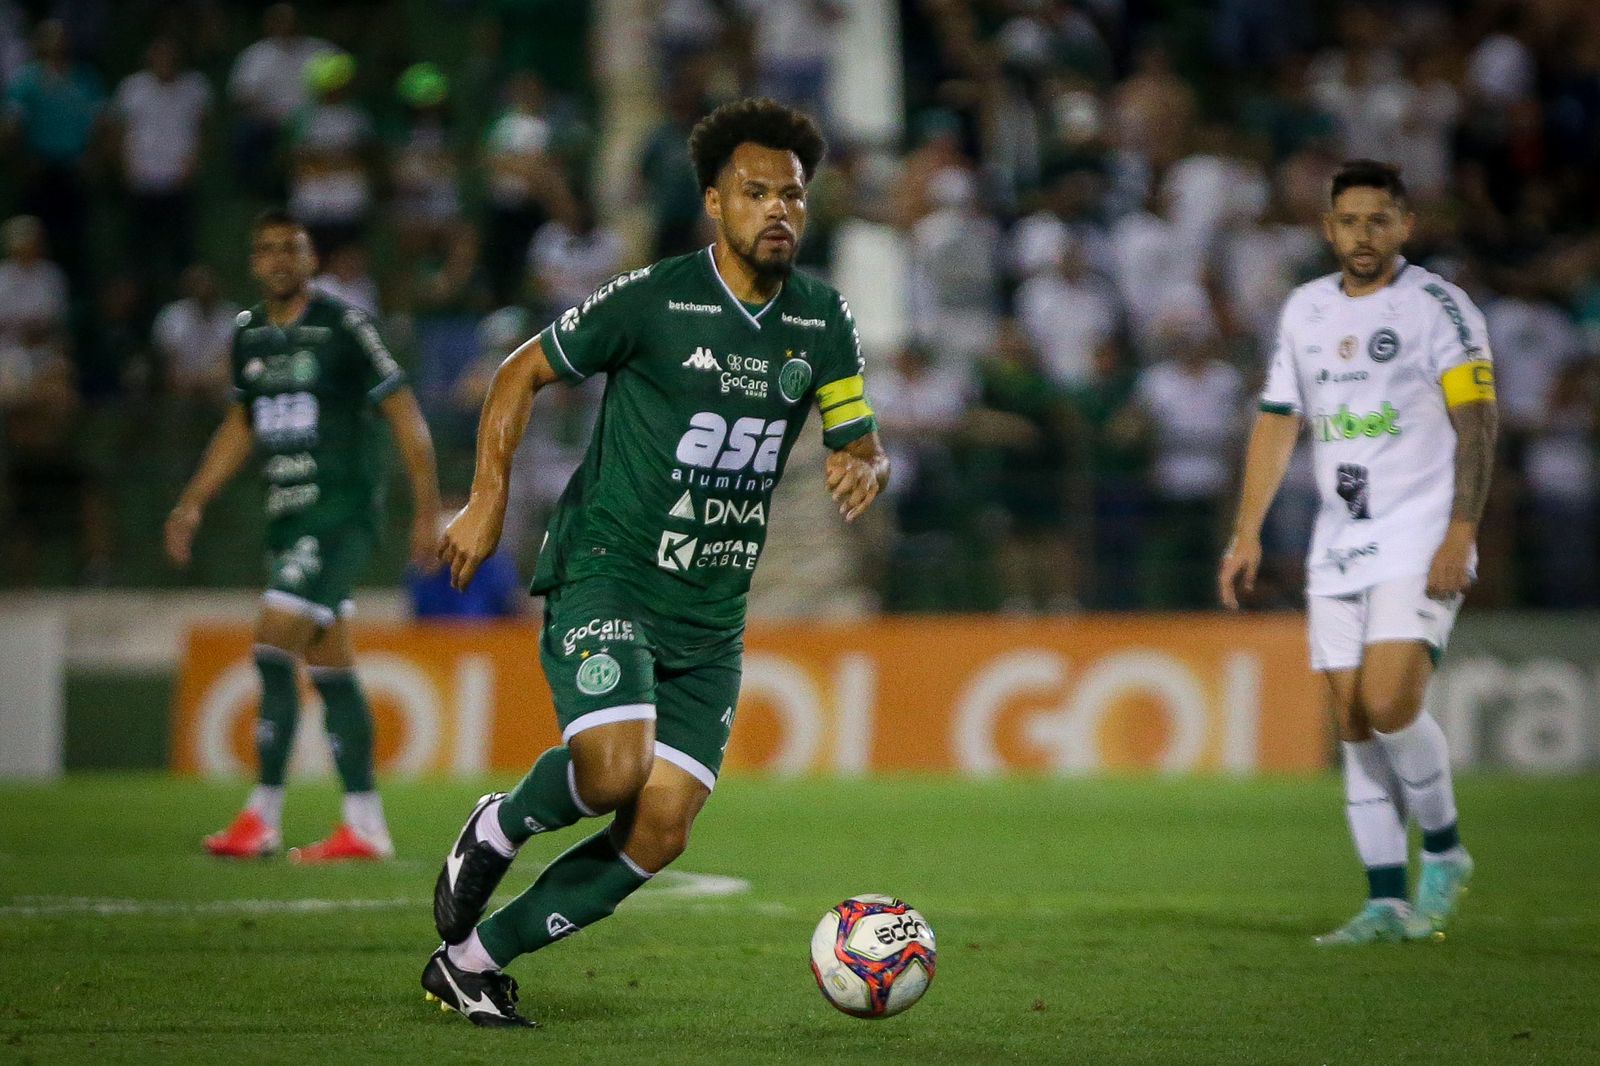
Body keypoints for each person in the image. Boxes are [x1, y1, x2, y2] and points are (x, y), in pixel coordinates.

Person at [423, 98, 889, 1027]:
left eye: (793, 195)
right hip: (611, 569)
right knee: (609, 772)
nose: (779, 212)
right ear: (716, 203)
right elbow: (519, 371)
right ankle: (501, 823)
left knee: (662, 824)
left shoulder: (822, 318)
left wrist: (862, 458)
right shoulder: (654, 299)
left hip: (711, 612)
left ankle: (473, 961)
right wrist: (486, 500)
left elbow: (858, 432)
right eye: (757, 194)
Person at [1219, 160, 1496, 945]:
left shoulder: (1439, 306)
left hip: (1420, 530)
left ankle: (1443, 851)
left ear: (1406, 226)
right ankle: (1383, 901)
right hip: (1339, 538)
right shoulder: (1305, 310)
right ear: (1329, 227)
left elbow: (1477, 421)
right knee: (1348, 718)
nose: (1363, 235)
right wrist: (1247, 531)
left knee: (1388, 702)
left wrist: (1462, 529)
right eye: (1349, 221)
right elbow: (1278, 421)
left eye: (1379, 220)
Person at [164, 210, 441, 863]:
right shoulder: (249, 334)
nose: (279, 260)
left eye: (292, 248)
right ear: (254, 262)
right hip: (286, 515)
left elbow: (404, 412)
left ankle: (261, 816)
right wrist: (192, 501)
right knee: (331, 666)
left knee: (272, 639)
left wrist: (426, 510)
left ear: (311, 259)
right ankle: (365, 826)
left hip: (340, 511)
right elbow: (241, 425)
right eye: (266, 250)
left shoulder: (344, 326)